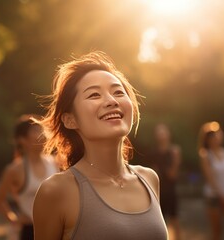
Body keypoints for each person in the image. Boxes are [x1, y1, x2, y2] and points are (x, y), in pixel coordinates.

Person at [33, 51, 168, 240]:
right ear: (70, 120)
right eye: (94, 95)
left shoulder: (149, 179)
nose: (112, 101)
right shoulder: (56, 191)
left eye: (118, 92)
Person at [0, 114, 58, 240]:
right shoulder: (14, 170)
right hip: (29, 231)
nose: (42, 134)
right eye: (35, 131)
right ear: (22, 140)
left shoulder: (55, 163)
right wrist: (13, 219)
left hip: (56, 229)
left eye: (41, 130)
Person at [147, 123, 182, 240]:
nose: (161, 135)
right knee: (159, 222)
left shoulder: (174, 151)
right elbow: (153, 174)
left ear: (169, 134)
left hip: (171, 191)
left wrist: (175, 160)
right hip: (158, 192)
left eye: (163, 132)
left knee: (174, 220)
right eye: (159, 132)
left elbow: (173, 175)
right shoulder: (153, 153)